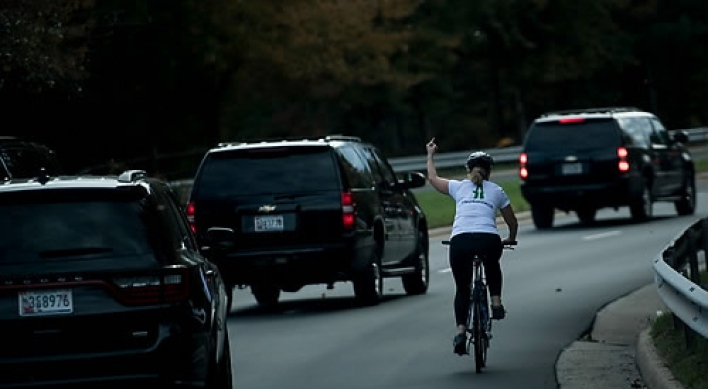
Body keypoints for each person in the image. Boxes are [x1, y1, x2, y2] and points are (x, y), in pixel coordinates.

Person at [425, 137, 518, 356]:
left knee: (462, 288)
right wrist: (511, 237)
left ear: (469, 170)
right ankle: (496, 302)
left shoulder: (458, 187)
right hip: (488, 239)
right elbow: (511, 221)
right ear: (490, 171)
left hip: (460, 241)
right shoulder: (497, 190)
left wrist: (430, 154)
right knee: (492, 263)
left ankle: (460, 332)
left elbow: (432, 178)